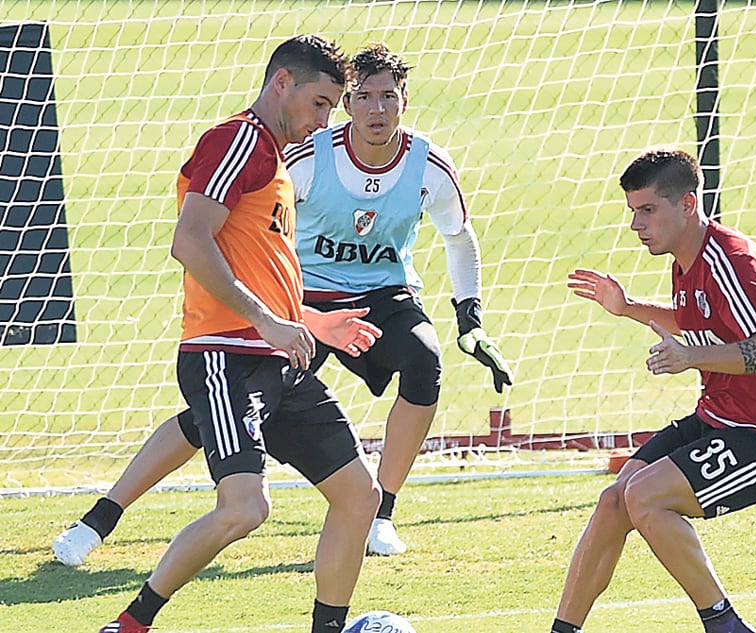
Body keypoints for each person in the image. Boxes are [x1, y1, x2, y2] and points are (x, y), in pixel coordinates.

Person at [54, 42, 513, 565]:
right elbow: (211, 238)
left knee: (424, 362)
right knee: (217, 421)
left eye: (388, 96)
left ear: (405, 100)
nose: (376, 110)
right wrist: (277, 317)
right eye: (360, 98)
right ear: (343, 104)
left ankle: (379, 513)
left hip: (376, 300)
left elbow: (459, 237)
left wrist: (468, 317)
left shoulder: (427, 164)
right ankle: (101, 521)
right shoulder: (290, 155)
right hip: (296, 304)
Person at [96, 34, 384, 633]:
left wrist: (310, 321)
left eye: (332, 107)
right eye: (321, 103)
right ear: (282, 82)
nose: (324, 120)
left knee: (361, 495)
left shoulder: (275, 159)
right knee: (246, 507)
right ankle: (130, 625)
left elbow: (257, 269)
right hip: (226, 358)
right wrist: (266, 320)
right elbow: (190, 240)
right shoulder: (238, 141)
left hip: (277, 358)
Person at [555, 148, 756, 633]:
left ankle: (726, 626)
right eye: (633, 212)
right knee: (616, 499)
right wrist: (628, 306)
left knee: (646, 498)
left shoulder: (734, 262)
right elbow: (697, 321)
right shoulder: (686, 259)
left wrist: (690, 357)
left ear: (688, 204)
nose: (637, 224)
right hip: (722, 416)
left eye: (648, 210)